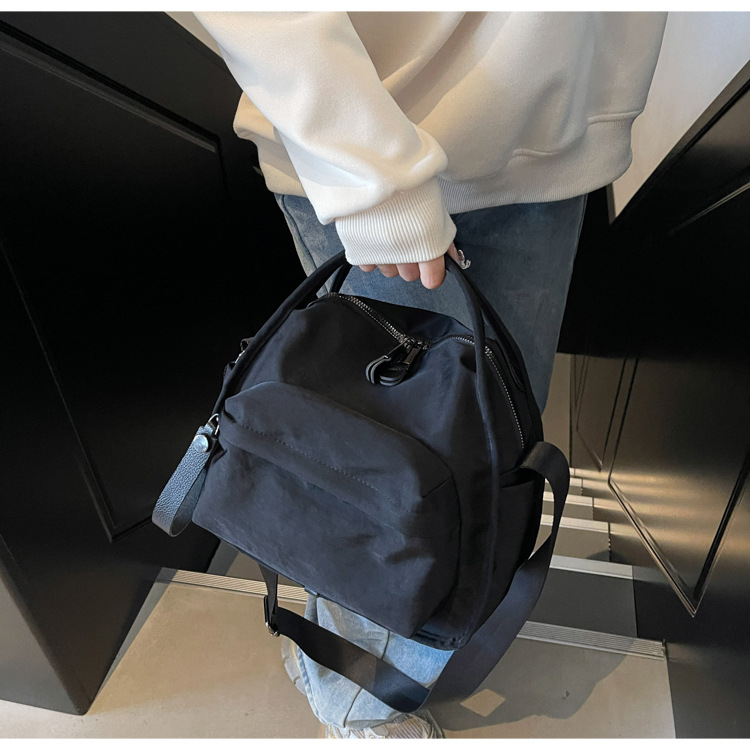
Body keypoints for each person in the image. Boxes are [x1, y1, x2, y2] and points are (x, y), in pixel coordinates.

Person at [194, 11, 667, 739]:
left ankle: (380, 658)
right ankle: (353, 697)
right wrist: (369, 173)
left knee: (484, 460)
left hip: (550, 145)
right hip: (370, 142)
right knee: (383, 472)